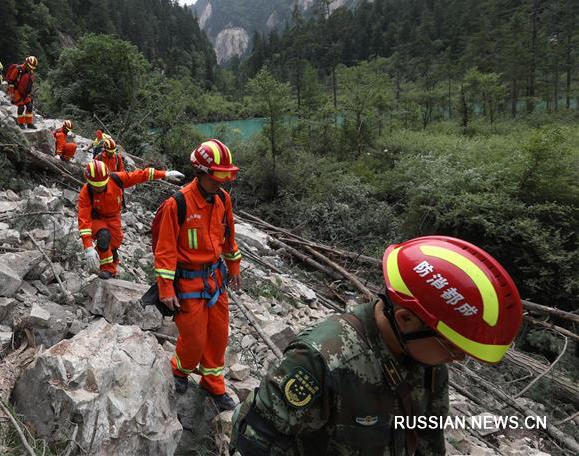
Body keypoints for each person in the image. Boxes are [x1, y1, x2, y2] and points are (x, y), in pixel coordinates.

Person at [230, 236, 523, 456]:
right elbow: (255, 442)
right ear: (405, 319)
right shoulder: (324, 359)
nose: (458, 359)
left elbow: (427, 440)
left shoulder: (429, 361)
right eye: (453, 348)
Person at [154, 139, 243, 411]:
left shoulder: (222, 200)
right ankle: (180, 369)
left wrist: (234, 266)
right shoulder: (177, 204)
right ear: (202, 173)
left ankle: (212, 383)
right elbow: (165, 249)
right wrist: (166, 288)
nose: (221, 184)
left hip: (215, 279)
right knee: (193, 339)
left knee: (218, 335)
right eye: (217, 178)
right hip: (188, 281)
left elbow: (228, 236)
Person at [79, 161, 184, 279]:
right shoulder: (86, 192)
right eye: (95, 187)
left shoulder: (117, 179)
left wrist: (164, 174)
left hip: (114, 217)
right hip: (97, 218)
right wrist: (88, 247)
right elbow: (84, 219)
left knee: (113, 245)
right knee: (104, 236)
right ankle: (107, 269)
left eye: (102, 185)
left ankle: (108, 265)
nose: (99, 189)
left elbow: (140, 175)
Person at [12, 55, 37, 128]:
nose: (30, 69)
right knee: (21, 107)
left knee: (29, 106)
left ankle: (29, 123)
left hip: (25, 93)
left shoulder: (30, 72)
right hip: (17, 91)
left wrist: (30, 92)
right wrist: (12, 93)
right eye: (30, 67)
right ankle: (21, 123)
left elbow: (30, 83)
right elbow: (11, 81)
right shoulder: (18, 69)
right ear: (26, 63)